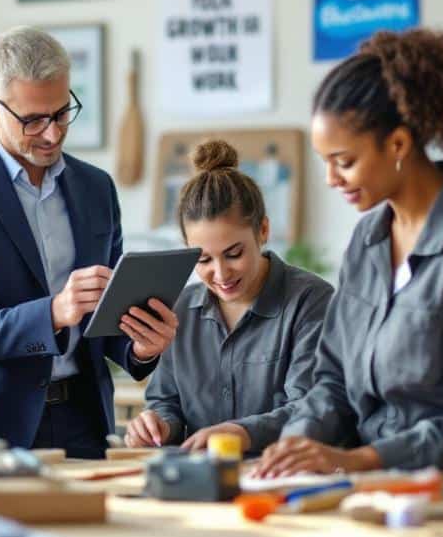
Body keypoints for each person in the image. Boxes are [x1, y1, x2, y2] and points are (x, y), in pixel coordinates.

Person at [254, 28, 443, 482]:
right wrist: (296, 445)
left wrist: (366, 459)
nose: (331, 179)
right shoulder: (368, 240)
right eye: (325, 162)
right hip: (383, 487)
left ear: (398, 145)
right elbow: (334, 380)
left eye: (344, 161)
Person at [0, 27, 175, 458]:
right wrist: (54, 312)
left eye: (62, 112)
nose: (53, 134)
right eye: (33, 120)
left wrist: (140, 347)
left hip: (82, 424)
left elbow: (103, 317)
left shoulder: (96, 187)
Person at [125, 140, 333, 456]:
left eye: (234, 254)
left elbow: (314, 408)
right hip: (199, 476)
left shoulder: (311, 301)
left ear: (263, 230)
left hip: (281, 473)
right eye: (203, 259)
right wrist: (158, 426)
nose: (221, 274)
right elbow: (166, 402)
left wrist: (242, 433)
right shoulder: (179, 309)